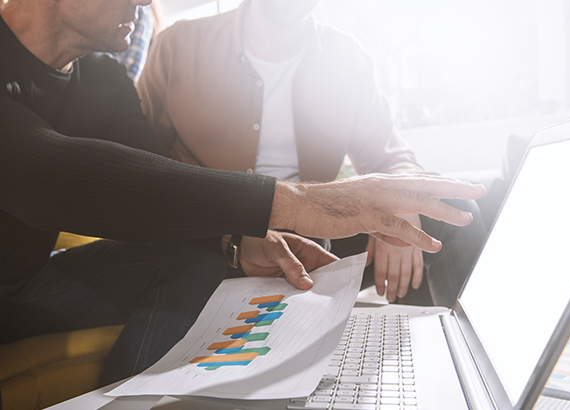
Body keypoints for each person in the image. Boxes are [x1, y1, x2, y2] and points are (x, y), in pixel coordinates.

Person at [0, 0, 485, 394]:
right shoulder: (178, 47)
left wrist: (236, 232)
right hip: (261, 212)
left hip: (34, 281)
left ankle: (447, 379)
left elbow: (151, 173)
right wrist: (293, 205)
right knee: (194, 246)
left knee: (447, 213)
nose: (147, 2)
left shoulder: (104, 79)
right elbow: (45, 173)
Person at [137, 0, 488, 304]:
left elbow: (389, 155)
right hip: (213, 239)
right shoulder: (177, 46)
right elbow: (140, 162)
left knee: (445, 214)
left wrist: (404, 205)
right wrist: (225, 231)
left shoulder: (347, 58)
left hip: (314, 233)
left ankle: (441, 356)